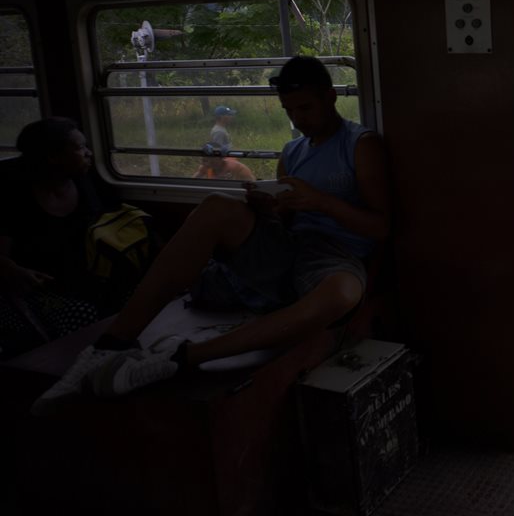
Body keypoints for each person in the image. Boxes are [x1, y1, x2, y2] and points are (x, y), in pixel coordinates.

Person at [33, 56, 391, 409]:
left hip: (333, 256)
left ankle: (180, 357)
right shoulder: (292, 151)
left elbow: (383, 226)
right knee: (217, 206)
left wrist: (322, 203)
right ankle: (109, 345)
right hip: (289, 245)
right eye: (289, 110)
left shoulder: (359, 145)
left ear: (331, 97)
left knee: (342, 295)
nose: (298, 119)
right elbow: (286, 220)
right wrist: (271, 208)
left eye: (306, 107)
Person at [1, 118, 121, 358]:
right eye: (79, 148)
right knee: (82, 313)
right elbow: (2, 258)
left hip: (84, 277)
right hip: (37, 288)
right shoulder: (13, 195)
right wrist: (17, 272)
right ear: (52, 157)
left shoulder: (88, 184)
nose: (88, 153)